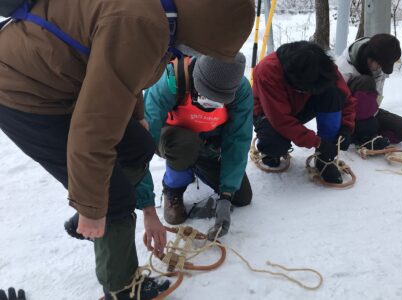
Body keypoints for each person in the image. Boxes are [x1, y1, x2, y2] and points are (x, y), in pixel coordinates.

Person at [0, 0, 254, 298]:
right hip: (24, 93)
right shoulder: (145, 23)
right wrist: (94, 206)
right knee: (113, 195)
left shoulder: (162, 15)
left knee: (138, 145)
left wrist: (138, 118)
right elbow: (95, 126)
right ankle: (121, 288)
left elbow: (120, 74)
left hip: (65, 84)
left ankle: (98, 215)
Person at [144, 53, 252, 240]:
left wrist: (226, 195)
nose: (211, 106)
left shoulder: (239, 89)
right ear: (196, 81)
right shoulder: (170, 80)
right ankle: (173, 188)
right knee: (185, 145)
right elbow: (142, 144)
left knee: (242, 196)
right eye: (207, 98)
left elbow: (238, 140)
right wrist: (147, 207)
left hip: (208, 143)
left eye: (218, 102)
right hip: (173, 138)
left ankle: (195, 164)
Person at [252, 41, 357, 184]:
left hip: (299, 106)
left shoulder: (322, 66)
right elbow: (280, 119)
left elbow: (345, 97)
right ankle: (269, 149)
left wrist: (346, 127)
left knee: (332, 92)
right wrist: (317, 142)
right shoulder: (267, 71)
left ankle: (324, 158)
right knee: (275, 144)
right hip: (269, 112)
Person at [337, 33, 402, 150]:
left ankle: (365, 134)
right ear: (370, 57)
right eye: (379, 64)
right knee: (366, 81)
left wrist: (373, 114)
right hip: (345, 116)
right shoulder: (344, 68)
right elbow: (334, 103)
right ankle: (364, 136)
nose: (379, 69)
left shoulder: (379, 65)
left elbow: (378, 96)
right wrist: (345, 127)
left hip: (367, 113)